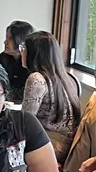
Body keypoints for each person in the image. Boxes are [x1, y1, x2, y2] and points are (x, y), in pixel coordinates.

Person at [21, 32, 81, 164]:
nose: (22, 53)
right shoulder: (67, 78)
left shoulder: (37, 79)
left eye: (24, 49)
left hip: (50, 146)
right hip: (66, 147)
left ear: (35, 53)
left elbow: (25, 120)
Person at [0, 20, 34, 102]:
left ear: (21, 40)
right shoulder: (3, 58)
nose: (5, 42)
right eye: (6, 38)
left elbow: (28, 92)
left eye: (10, 38)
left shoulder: (32, 62)